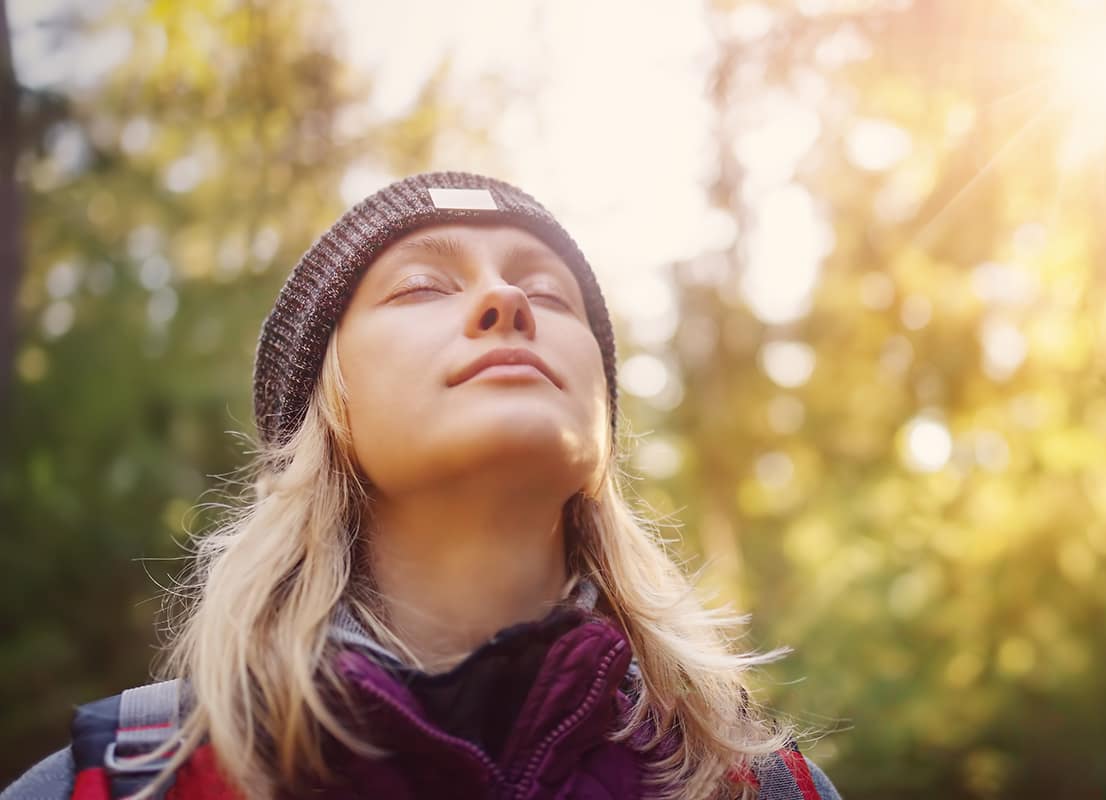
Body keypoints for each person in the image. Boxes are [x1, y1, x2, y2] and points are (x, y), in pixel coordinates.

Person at [3, 172, 842, 799]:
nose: (507, 299)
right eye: (422, 286)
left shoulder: (762, 787)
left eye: (550, 293)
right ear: (324, 413)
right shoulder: (119, 783)